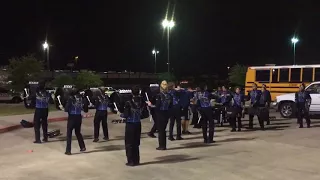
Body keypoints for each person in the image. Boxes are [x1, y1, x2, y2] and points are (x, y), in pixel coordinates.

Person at [120, 85, 146, 166]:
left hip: (130, 124)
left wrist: (121, 115)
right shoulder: (142, 102)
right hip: (138, 123)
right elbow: (145, 114)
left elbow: (126, 114)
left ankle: (130, 161)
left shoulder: (129, 102)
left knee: (129, 143)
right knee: (136, 143)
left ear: (132, 92)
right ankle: (136, 160)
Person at [147, 80, 172, 150]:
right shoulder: (169, 95)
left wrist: (150, 105)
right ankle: (163, 145)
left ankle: (162, 146)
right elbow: (171, 105)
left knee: (161, 131)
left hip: (160, 114)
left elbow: (157, 106)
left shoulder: (159, 95)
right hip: (166, 113)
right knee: (163, 130)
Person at [64, 88, 89, 155]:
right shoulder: (82, 99)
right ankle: (82, 147)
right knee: (78, 132)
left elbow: (66, 109)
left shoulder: (71, 99)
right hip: (78, 116)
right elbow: (85, 109)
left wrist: (63, 107)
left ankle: (68, 150)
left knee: (69, 134)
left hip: (72, 117)